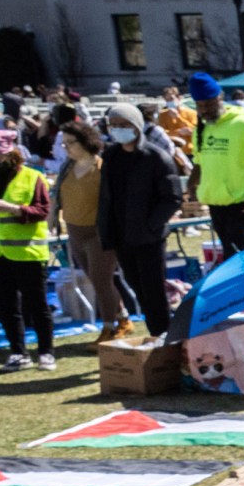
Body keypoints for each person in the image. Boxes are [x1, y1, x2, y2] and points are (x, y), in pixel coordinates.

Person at [0, 128, 54, 370]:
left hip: (27, 252)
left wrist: (12, 208)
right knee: (7, 307)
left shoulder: (32, 177)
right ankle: (18, 352)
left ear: (10, 154)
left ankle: (46, 352)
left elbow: (42, 211)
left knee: (37, 304)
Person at [98, 104, 179, 339]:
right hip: (121, 235)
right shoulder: (111, 155)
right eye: (114, 125)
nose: (119, 130)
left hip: (148, 237)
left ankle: (165, 336)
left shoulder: (156, 157)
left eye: (124, 125)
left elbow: (171, 198)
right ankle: (157, 334)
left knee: (153, 291)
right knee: (137, 289)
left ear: (137, 126)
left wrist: (151, 225)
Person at [187, 72, 244, 258]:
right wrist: (191, 183)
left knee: (238, 256)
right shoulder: (202, 129)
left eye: (209, 104)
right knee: (230, 255)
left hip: (242, 205)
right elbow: (199, 161)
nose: (205, 110)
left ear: (220, 98)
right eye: (200, 106)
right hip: (216, 204)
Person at [51, 121, 125, 339]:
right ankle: (123, 317)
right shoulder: (66, 168)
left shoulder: (103, 168)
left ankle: (109, 327)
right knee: (96, 279)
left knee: (101, 280)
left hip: (99, 232)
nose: (66, 148)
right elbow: (57, 197)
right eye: (63, 144)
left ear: (85, 142)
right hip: (75, 231)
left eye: (70, 143)